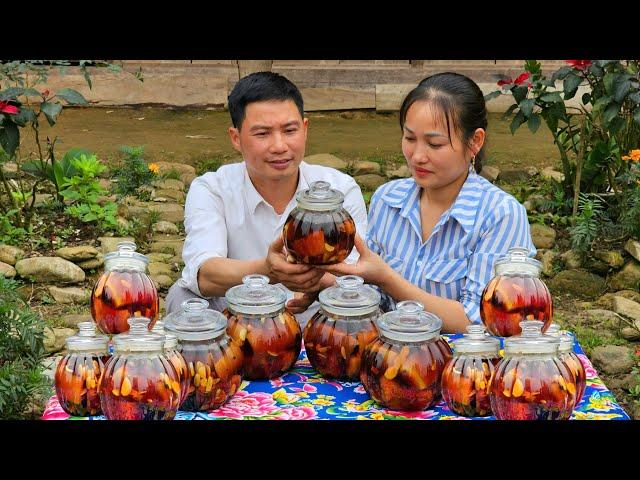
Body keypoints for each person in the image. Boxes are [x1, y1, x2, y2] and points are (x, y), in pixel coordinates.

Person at [319, 72, 535, 334]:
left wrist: (388, 279)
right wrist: (321, 280)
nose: (418, 156)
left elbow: (483, 322)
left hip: (465, 368)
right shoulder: (387, 200)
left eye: (435, 143)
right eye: (410, 139)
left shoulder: (500, 215)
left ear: (475, 141)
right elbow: (372, 297)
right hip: (389, 360)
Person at [165, 71, 367, 327]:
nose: (279, 146)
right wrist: (269, 271)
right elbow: (204, 273)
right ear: (236, 138)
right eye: (262, 134)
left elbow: (355, 275)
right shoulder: (212, 189)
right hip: (237, 315)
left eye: (290, 130)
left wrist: (312, 283)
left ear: (305, 129)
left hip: (310, 310)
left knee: (356, 308)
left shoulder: (340, 189)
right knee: (181, 296)